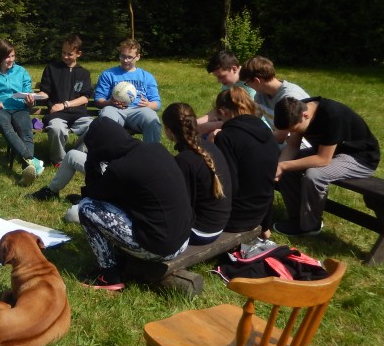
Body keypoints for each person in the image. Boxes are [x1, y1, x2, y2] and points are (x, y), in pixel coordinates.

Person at [75, 118, 192, 291]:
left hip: (161, 249)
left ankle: (110, 278)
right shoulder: (156, 148)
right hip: (183, 239)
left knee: (86, 207)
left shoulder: (120, 168)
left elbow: (93, 194)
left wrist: (92, 159)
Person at [273, 96, 380, 237]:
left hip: (360, 158)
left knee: (314, 175)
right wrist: (279, 167)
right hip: (329, 151)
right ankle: (297, 218)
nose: (295, 132)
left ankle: (310, 226)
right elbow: (292, 146)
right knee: (287, 168)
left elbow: (323, 160)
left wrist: (284, 165)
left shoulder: (332, 116)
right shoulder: (296, 110)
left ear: (305, 116)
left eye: (295, 129)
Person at [163, 103, 233, 245]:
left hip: (201, 232)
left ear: (169, 131)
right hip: (220, 223)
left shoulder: (184, 160)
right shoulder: (210, 147)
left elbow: (181, 206)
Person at [0, 39, 44, 187]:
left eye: (13, 56)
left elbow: (28, 94)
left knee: (26, 132)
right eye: (8, 57)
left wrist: (30, 101)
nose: (11, 60)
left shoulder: (21, 72)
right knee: (7, 128)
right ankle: (31, 161)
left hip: (20, 108)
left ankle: (28, 170)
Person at [213, 87, 278, 238]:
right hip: (261, 211)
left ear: (223, 112)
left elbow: (228, 184)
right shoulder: (266, 131)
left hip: (236, 218)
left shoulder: (226, 138)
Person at [38, 34, 93, 167]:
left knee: (94, 128)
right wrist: (34, 96)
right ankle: (59, 160)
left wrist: (65, 105)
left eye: (69, 54)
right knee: (56, 128)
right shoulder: (51, 69)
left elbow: (85, 97)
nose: (65, 56)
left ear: (79, 54)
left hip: (78, 114)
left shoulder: (84, 73)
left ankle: (76, 155)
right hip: (56, 115)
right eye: (63, 53)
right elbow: (45, 92)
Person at [93, 38, 163, 143]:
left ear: (137, 57)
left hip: (139, 110)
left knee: (152, 119)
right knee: (106, 118)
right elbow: (98, 100)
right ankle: (108, 151)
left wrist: (148, 104)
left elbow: (157, 104)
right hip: (115, 109)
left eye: (129, 57)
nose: (125, 60)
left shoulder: (147, 77)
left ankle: (151, 151)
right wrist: (110, 103)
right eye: (123, 56)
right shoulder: (108, 74)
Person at [238, 55, 310, 145]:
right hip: (280, 143)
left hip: (300, 145)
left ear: (257, 80)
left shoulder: (290, 98)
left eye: (247, 83)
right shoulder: (260, 95)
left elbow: (280, 137)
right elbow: (252, 118)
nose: (248, 86)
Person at [195, 50, 259, 139]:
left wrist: (212, 125)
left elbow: (247, 116)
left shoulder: (250, 82)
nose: (219, 81)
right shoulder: (229, 83)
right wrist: (196, 122)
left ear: (234, 69)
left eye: (221, 76)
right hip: (236, 122)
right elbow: (221, 108)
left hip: (253, 127)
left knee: (212, 136)